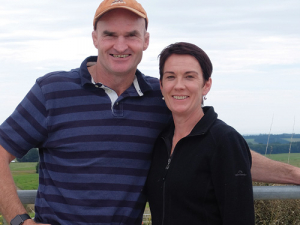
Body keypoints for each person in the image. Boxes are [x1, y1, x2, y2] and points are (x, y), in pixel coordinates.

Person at [0, 0, 299, 224]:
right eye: (110, 35)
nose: (120, 45)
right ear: (94, 38)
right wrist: (19, 220)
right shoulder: (52, 91)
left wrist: (295, 174)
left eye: (131, 35)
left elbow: (224, 151)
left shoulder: (164, 96)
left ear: (146, 40)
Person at [146, 42, 255, 225]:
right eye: (171, 77)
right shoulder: (160, 141)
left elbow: (240, 218)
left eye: (189, 77)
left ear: (206, 85)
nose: (179, 86)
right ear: (162, 85)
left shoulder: (224, 140)